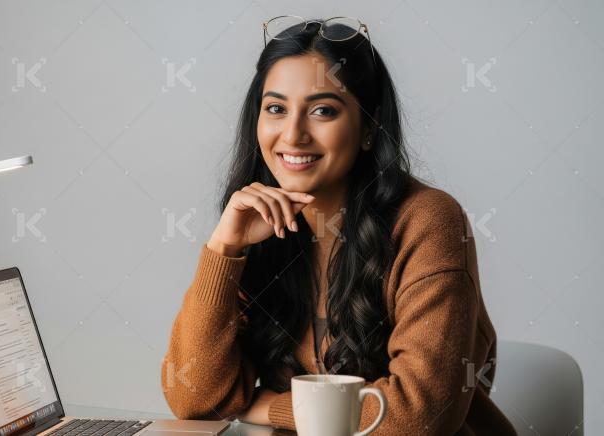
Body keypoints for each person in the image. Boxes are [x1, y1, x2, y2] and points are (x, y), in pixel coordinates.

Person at [161, 16, 516, 435]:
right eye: (276, 108)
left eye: (322, 111)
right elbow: (194, 401)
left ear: (368, 128)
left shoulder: (428, 220)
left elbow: (416, 418)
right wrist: (224, 249)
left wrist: (265, 407)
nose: (292, 135)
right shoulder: (256, 224)